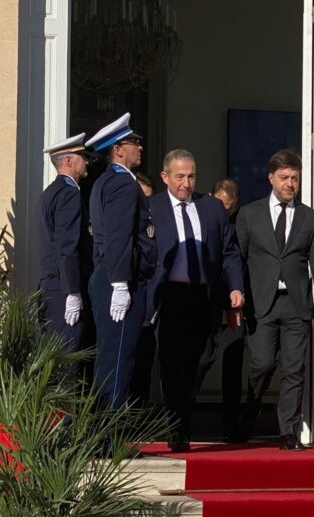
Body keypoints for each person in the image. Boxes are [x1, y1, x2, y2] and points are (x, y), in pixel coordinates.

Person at [236, 149, 314, 451]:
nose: (290, 184)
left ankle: (288, 431)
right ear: (271, 178)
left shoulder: (310, 218)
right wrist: (234, 299)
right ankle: (249, 416)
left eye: (295, 178)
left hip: (296, 304)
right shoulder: (249, 214)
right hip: (261, 303)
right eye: (284, 178)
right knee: (262, 364)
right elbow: (237, 260)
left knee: (294, 369)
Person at [148, 150, 244, 452]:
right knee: (171, 364)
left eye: (191, 176)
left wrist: (235, 288)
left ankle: (181, 412)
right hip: (170, 295)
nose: (186, 183)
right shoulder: (152, 208)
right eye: (180, 176)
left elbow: (228, 252)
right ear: (165, 177)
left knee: (202, 359)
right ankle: (179, 428)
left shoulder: (212, 208)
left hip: (203, 296)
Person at [86, 113, 157, 410]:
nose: (139, 147)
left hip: (112, 275)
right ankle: (108, 437)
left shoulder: (107, 182)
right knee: (118, 359)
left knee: (111, 357)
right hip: (121, 277)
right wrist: (119, 283)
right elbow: (118, 236)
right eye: (133, 143)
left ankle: (104, 432)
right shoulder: (122, 184)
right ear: (118, 149)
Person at [194, 178, 245, 442]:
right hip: (205, 305)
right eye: (220, 206)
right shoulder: (198, 218)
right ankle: (183, 420)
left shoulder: (235, 228)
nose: (223, 212)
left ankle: (230, 428)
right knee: (200, 361)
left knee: (232, 368)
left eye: (229, 209)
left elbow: (235, 261)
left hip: (231, 308)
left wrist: (236, 295)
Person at [38, 133, 90, 358]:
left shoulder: (50, 192)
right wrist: (73, 292)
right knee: (67, 362)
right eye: (82, 156)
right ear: (69, 161)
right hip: (63, 289)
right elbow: (66, 246)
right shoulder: (68, 194)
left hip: (50, 285)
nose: (87, 161)